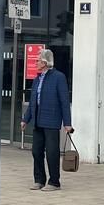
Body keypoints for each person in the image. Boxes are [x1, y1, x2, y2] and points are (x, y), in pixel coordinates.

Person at [20, 49, 72, 191]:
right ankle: (39, 180)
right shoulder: (37, 79)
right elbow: (32, 102)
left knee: (51, 152)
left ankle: (54, 182)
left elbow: (64, 101)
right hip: (38, 121)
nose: (35, 62)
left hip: (52, 121)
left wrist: (67, 123)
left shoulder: (58, 77)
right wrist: (25, 119)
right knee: (36, 151)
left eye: (37, 60)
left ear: (45, 62)